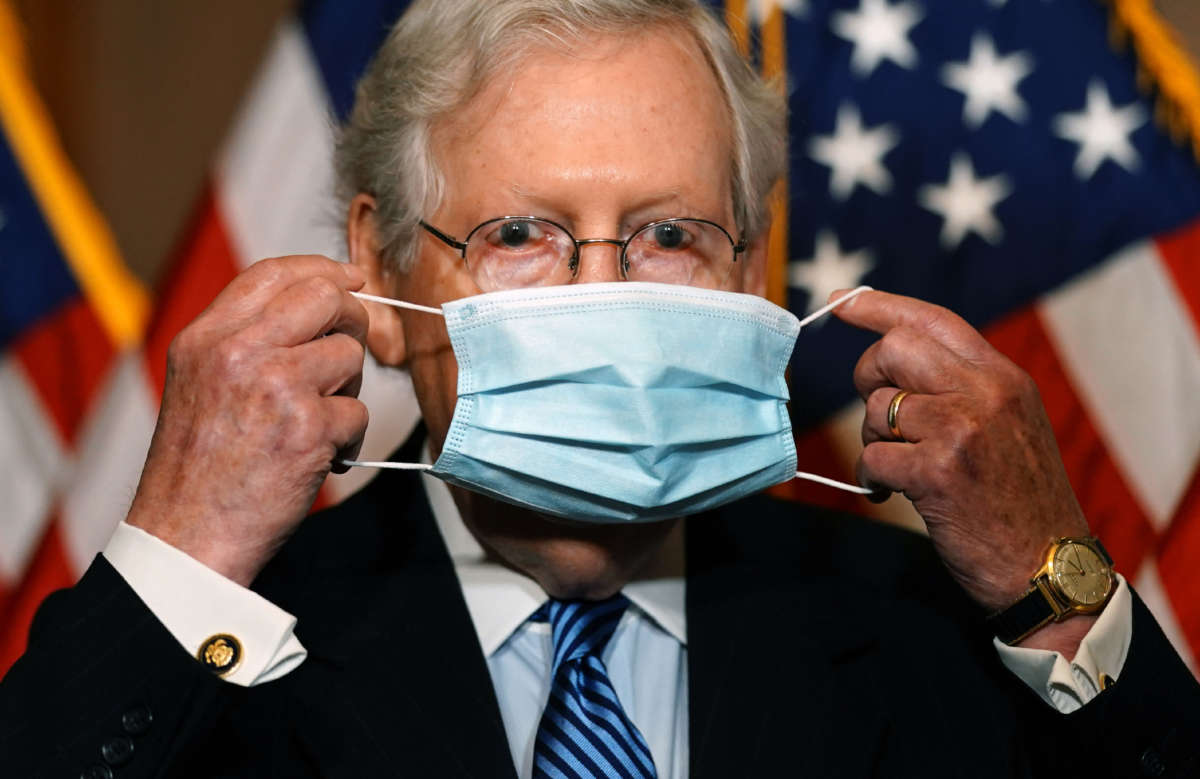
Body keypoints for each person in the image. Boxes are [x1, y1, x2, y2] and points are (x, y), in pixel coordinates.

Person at [2, 1, 1198, 776]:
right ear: (377, 260)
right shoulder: (224, 643)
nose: (606, 298)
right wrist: (180, 552)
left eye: (669, 232)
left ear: (751, 263)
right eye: (522, 230)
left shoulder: (919, 628)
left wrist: (1056, 584)